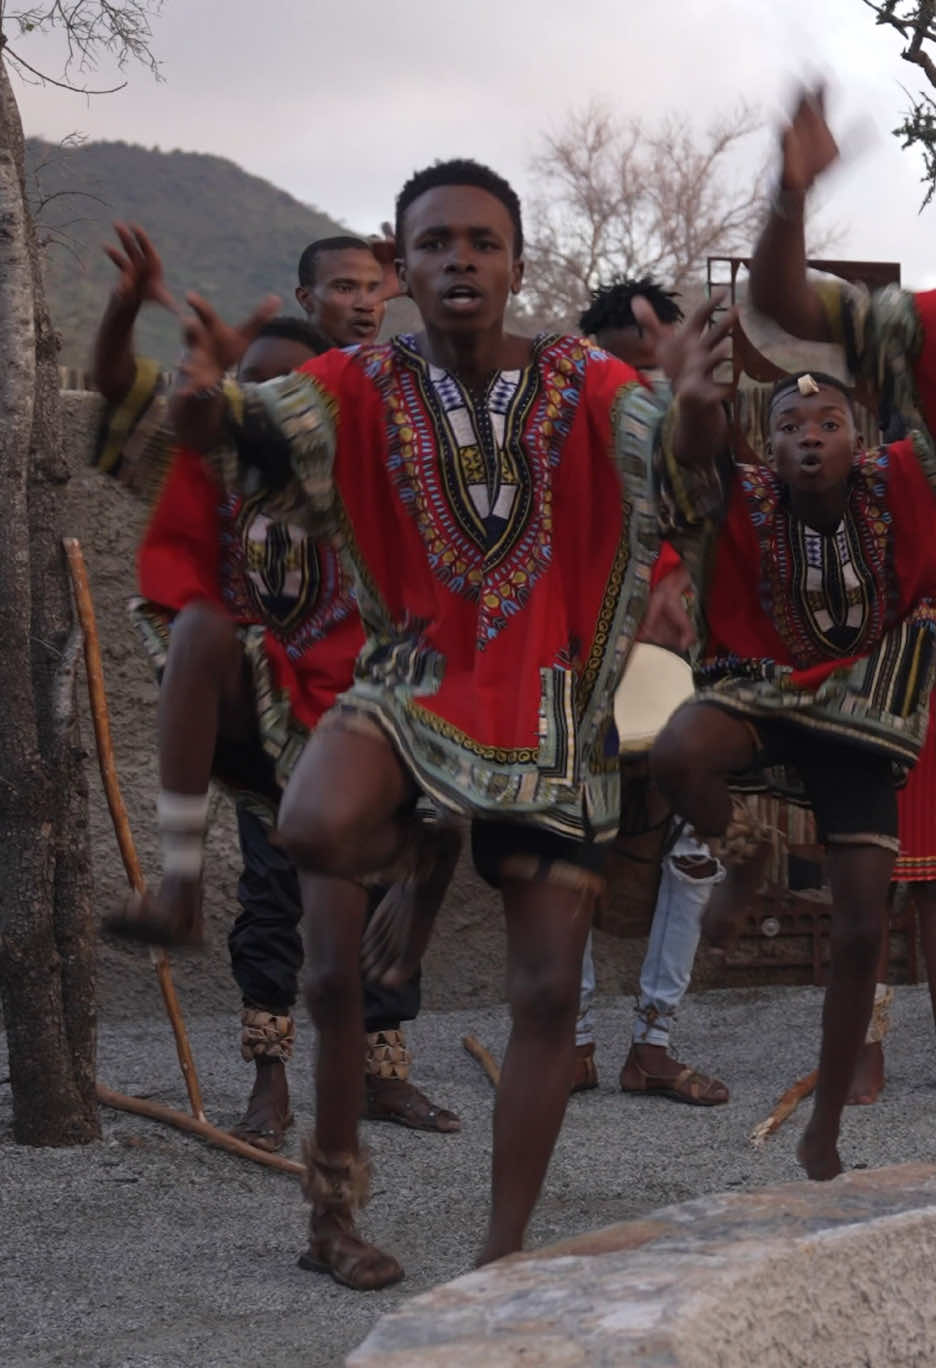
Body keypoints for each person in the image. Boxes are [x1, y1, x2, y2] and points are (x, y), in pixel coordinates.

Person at [169, 157, 733, 1279]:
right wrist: (192, 392)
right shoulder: (353, 382)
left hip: (544, 712)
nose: (460, 260)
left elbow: (686, 463)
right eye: (435, 244)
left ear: (519, 261)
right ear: (400, 260)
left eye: (483, 241)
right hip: (393, 698)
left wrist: (701, 408)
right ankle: (332, 1216)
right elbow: (211, 441)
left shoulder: (583, 382)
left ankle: (502, 1261)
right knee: (327, 947)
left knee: (542, 992)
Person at [91, 225, 460, 1170]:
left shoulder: (387, 436)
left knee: (388, 881)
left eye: (375, 286)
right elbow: (124, 399)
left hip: (369, 711)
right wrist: (134, 306)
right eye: (344, 286)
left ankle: (378, 1075)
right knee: (270, 890)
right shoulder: (221, 454)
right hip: (270, 706)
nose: (364, 298)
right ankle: (268, 1071)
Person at [649, 363, 936, 1182]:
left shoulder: (900, 486)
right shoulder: (743, 497)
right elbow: (691, 462)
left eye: (828, 422)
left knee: (857, 931)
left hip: (861, 719)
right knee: (677, 750)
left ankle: (828, 1120)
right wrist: (694, 405)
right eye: (789, 425)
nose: (809, 436)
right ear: (766, 446)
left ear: (863, 437)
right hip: (766, 693)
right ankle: (742, 858)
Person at [572, 278, 728, 1104]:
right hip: (570, 674)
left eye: (656, 370)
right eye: (625, 370)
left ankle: (654, 1043)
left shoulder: (700, 449)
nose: (642, 388)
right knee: (566, 850)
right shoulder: (556, 444)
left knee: (696, 847)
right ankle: (576, 1039)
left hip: (684, 674)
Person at [295, 233, 398, 345]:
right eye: (345, 289)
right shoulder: (281, 360)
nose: (366, 304)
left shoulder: (401, 360)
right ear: (305, 298)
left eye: (375, 290)